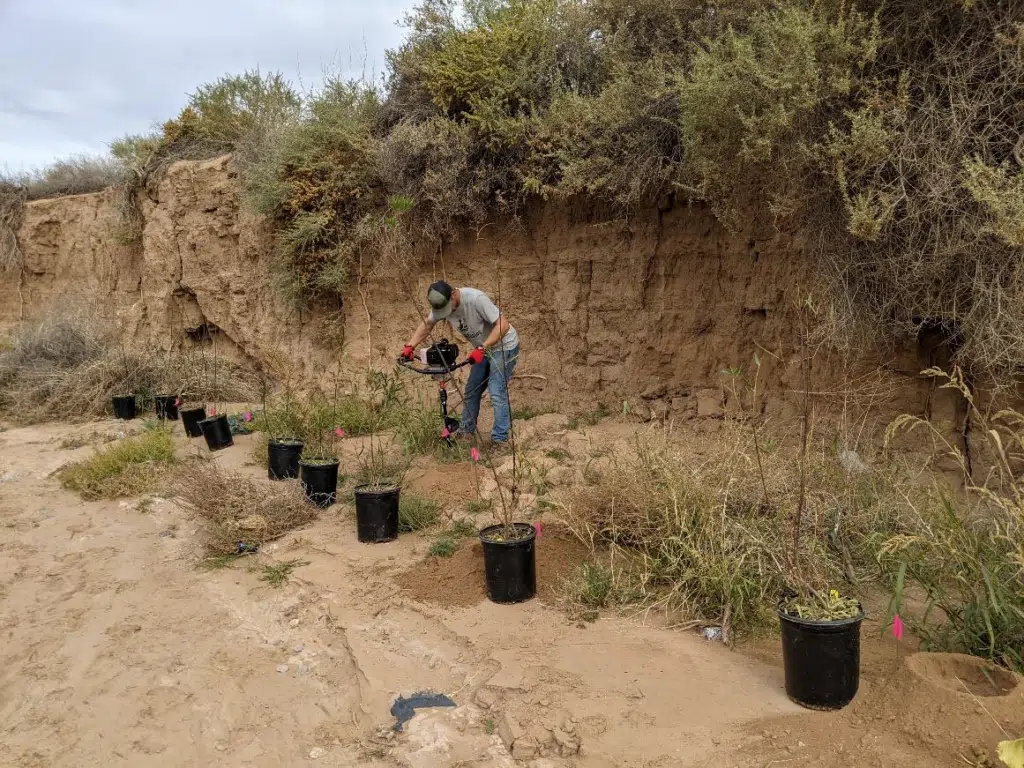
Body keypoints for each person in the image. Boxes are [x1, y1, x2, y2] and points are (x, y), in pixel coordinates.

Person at [401, 280, 520, 445]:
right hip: (483, 349)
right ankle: (466, 432)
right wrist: (410, 345)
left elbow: (503, 325)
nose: (449, 312)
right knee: (472, 389)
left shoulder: (476, 299)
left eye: (450, 308)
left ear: (453, 294)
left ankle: (500, 440)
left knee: (496, 391)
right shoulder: (442, 305)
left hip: (503, 346)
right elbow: (428, 324)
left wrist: (482, 348)